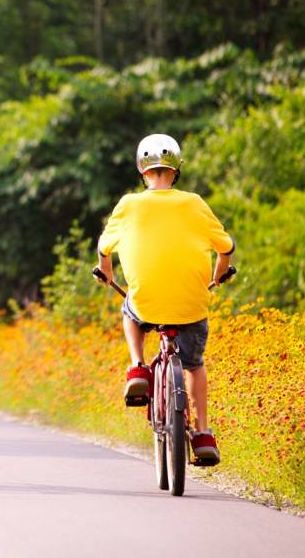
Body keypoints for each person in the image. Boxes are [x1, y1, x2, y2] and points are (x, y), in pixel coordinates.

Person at [94, 134, 234, 465]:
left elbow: (104, 248)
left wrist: (106, 273)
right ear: (176, 169)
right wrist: (219, 274)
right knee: (195, 365)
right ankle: (202, 433)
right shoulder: (195, 203)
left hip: (146, 300)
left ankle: (138, 368)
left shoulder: (129, 204)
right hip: (190, 304)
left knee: (130, 309)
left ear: (143, 171)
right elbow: (226, 248)